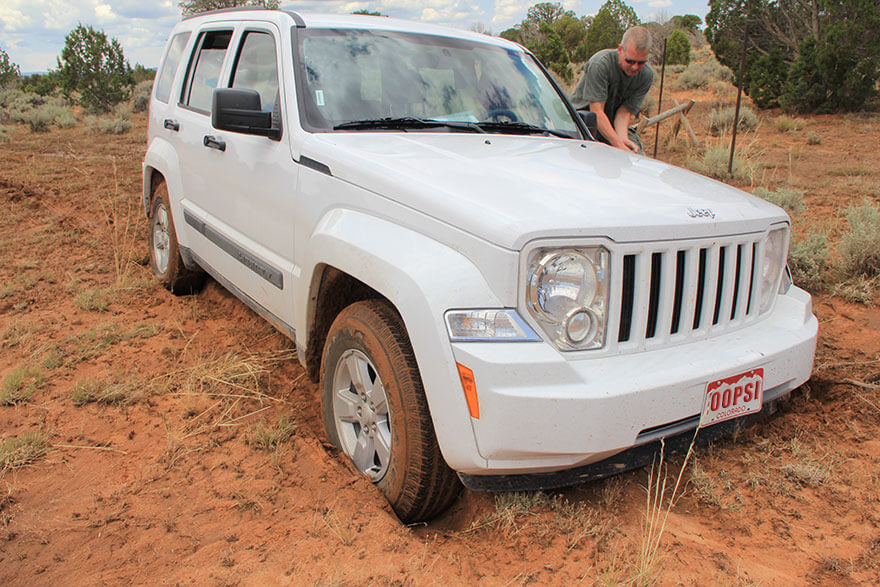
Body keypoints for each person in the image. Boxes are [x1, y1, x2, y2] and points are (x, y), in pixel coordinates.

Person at [570, 26, 653, 153]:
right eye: (630, 61)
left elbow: (624, 112)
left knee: (635, 153)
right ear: (620, 50)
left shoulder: (646, 75)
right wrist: (618, 146)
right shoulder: (600, 64)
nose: (635, 67)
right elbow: (596, 111)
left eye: (641, 63)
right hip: (581, 123)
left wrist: (623, 140)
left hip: (611, 124)